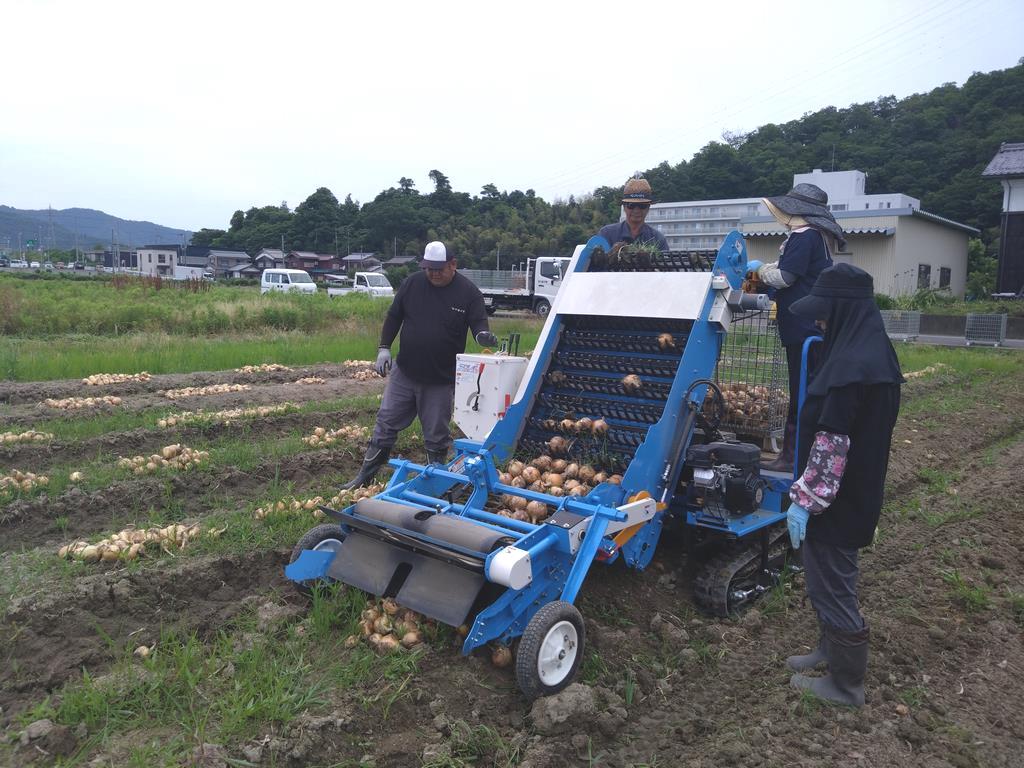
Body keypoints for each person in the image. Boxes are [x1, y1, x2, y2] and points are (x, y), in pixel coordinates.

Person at [783, 263, 903, 707]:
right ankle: (827, 650)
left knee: (833, 585)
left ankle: (846, 684)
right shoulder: (872, 353)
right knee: (827, 580)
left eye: (824, 315)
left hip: (837, 503)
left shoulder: (851, 367)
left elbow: (831, 448)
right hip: (853, 497)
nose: (818, 323)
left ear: (845, 312)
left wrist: (805, 502)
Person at [342, 241, 498, 490]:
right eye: (429, 269)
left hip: (440, 379)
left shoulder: (468, 293)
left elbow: (479, 325)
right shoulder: (413, 283)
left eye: (438, 269)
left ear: (453, 264)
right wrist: (384, 347)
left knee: (436, 435)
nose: (433, 274)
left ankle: (435, 484)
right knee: (385, 422)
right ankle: (364, 478)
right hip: (405, 372)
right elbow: (394, 316)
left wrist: (482, 337)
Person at [747, 183, 845, 473]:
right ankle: (804, 454)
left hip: (803, 328)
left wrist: (759, 270)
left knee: (802, 389)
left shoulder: (805, 236)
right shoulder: (816, 237)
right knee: (808, 388)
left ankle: (794, 455)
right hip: (809, 326)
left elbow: (787, 276)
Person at [597, 176, 670, 251]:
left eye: (642, 205)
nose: (636, 210)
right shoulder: (606, 233)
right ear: (624, 207)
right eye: (631, 205)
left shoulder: (658, 239)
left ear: (648, 207)